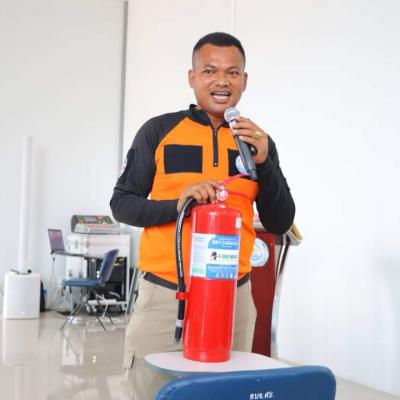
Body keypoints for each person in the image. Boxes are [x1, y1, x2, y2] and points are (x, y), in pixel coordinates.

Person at [110, 32, 295, 399]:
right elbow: (122, 204)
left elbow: (280, 221)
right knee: (153, 392)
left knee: (226, 393)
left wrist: (265, 163)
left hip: (233, 298)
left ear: (244, 80)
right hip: (165, 295)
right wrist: (177, 205)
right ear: (192, 77)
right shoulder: (158, 131)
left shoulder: (257, 142)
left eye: (232, 72)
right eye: (210, 71)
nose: (221, 81)